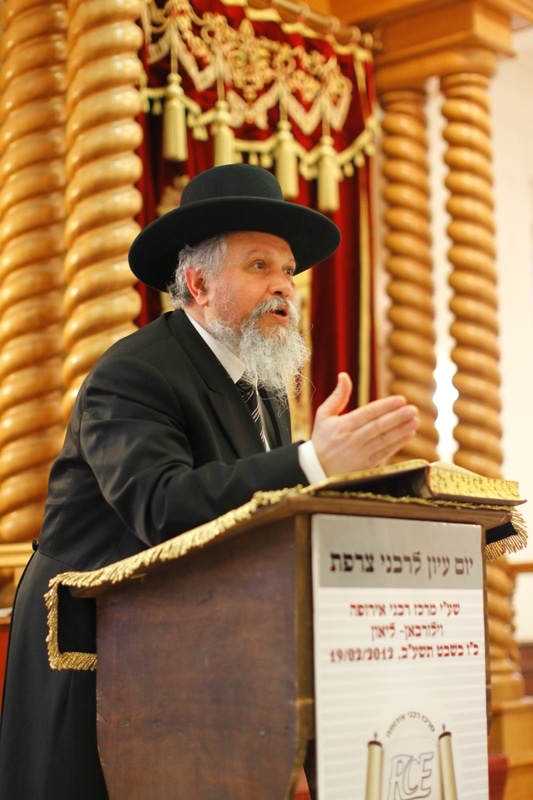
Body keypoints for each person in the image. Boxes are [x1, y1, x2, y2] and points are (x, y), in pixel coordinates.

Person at [0, 163, 419, 799]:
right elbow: (161, 505)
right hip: (95, 648)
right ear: (197, 283)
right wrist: (312, 463)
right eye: (260, 266)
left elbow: (255, 507)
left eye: (288, 271)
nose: (284, 287)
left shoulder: (262, 381)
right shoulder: (134, 373)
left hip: (200, 638)